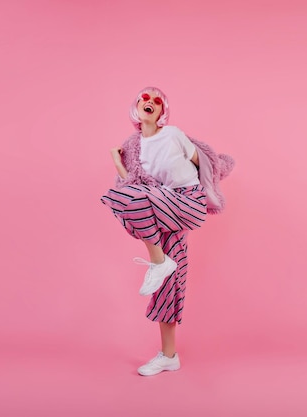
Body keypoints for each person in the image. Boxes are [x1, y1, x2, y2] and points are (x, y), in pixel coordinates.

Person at [100, 86, 234, 376]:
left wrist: (209, 189)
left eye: (157, 101)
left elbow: (205, 164)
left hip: (188, 201)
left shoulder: (173, 134)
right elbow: (131, 185)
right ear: (136, 108)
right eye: (144, 99)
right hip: (163, 207)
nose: (150, 102)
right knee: (169, 283)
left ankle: (158, 261)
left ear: (163, 111)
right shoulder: (133, 146)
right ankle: (168, 355)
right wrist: (117, 161)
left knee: (129, 199)